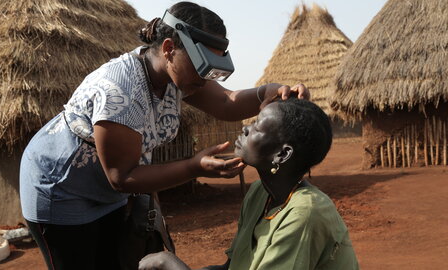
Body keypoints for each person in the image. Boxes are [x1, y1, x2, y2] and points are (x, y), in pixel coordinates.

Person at [19, 2, 310, 270]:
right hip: (61, 187)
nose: (206, 78)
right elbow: (122, 177)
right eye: (202, 67)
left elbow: (226, 102)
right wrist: (194, 167)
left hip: (106, 188)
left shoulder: (179, 77)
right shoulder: (119, 91)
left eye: (214, 70)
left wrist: (268, 90)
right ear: (169, 48)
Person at [138, 98, 359, 270]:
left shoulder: (305, 213)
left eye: (257, 127)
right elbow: (230, 267)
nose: (245, 129)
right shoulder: (260, 193)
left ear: (282, 154)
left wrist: (168, 262)